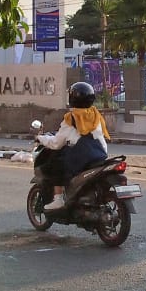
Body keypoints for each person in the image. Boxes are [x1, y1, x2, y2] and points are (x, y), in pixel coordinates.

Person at [36, 82, 112, 213]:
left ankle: (58, 199)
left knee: (53, 163)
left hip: (81, 158)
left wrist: (41, 138)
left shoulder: (71, 118)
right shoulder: (96, 115)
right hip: (100, 155)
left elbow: (56, 144)